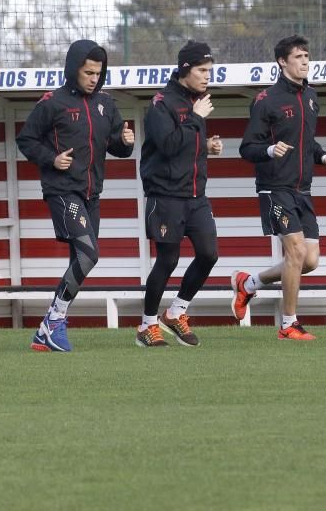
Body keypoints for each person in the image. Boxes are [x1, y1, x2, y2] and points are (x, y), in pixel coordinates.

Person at [15, 40, 134, 352]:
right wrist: (51, 159)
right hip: (62, 190)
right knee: (89, 255)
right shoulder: (53, 102)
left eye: (98, 72)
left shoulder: (106, 104)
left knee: (80, 261)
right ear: (74, 69)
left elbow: (118, 147)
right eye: (88, 72)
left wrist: (126, 141)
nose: (94, 78)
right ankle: (53, 321)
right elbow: (26, 139)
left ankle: (45, 334)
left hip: (92, 194)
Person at [232, 35, 326, 340]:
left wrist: (324, 157)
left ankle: (248, 283)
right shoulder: (266, 100)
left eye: (307, 56)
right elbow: (247, 147)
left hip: (302, 190)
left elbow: (307, 141)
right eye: (299, 56)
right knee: (295, 251)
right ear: (282, 61)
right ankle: (288, 324)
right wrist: (269, 150)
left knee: (310, 260)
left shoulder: (311, 97)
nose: (305, 61)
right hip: (274, 188)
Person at [136, 41, 221, 348]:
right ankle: (146, 325)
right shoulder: (162, 102)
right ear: (185, 69)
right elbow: (169, 145)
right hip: (165, 195)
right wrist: (196, 119)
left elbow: (186, 145)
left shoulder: (195, 101)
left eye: (209, 70)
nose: (207, 76)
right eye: (202, 70)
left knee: (209, 253)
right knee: (168, 260)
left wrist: (207, 147)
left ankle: (176, 312)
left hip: (196, 195)